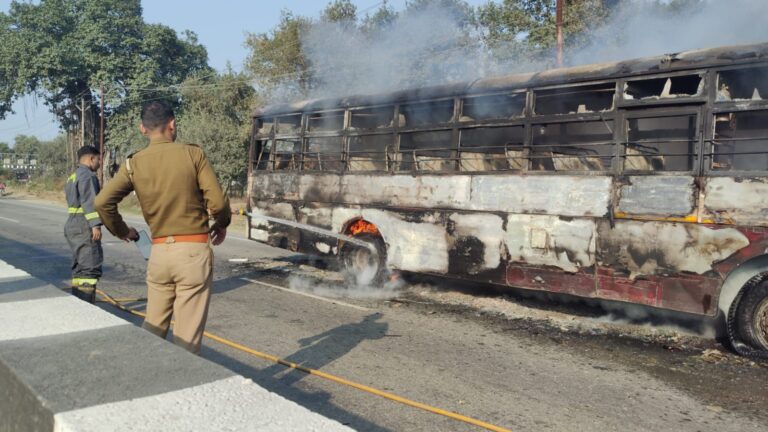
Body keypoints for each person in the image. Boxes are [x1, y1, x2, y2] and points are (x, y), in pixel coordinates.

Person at [95, 101, 230, 354]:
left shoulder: (133, 163)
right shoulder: (193, 154)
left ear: (142, 129)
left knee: (153, 329)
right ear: (172, 124)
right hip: (192, 252)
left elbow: (102, 202)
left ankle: (147, 378)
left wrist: (123, 231)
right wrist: (221, 224)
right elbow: (219, 204)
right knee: (186, 340)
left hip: (158, 254)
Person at [64, 145, 103, 303]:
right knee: (90, 266)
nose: (100, 163)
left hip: (73, 224)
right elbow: (89, 201)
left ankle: (78, 305)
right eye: (98, 159)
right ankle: (87, 308)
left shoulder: (73, 176)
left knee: (80, 267)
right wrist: (96, 224)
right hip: (84, 225)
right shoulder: (87, 175)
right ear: (91, 158)